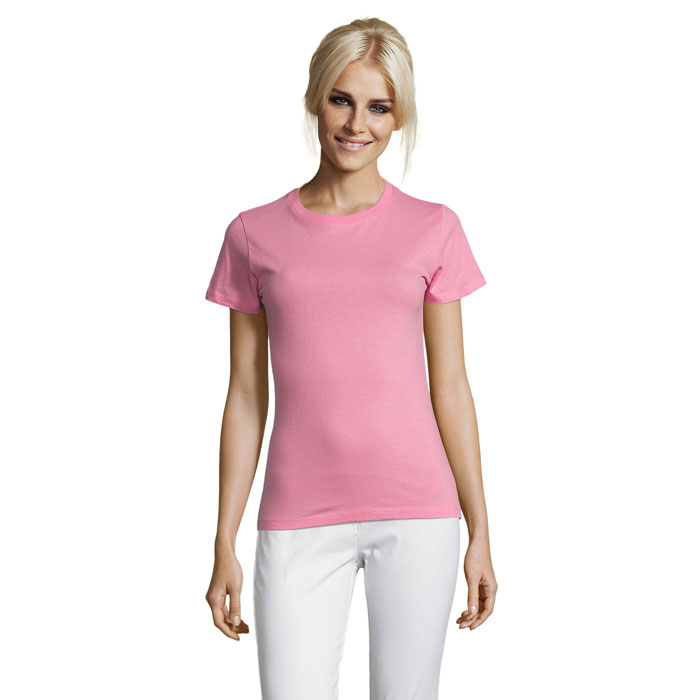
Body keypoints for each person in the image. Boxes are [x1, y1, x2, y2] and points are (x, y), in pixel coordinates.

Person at [204, 17, 497, 700]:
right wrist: (224, 538)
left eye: (378, 107)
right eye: (342, 99)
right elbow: (245, 396)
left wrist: (481, 529)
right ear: (315, 98)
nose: (356, 124)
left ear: (399, 117)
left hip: (418, 512)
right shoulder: (252, 235)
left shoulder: (434, 228)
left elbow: (451, 386)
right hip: (297, 514)